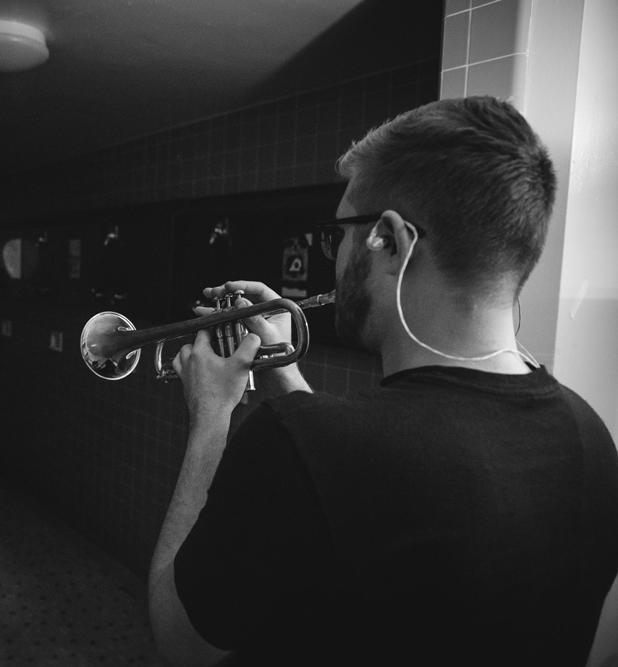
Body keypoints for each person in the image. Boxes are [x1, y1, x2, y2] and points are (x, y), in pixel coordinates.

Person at [147, 96, 618, 666]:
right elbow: (362, 488)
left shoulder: (301, 442)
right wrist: (282, 368)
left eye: (341, 231)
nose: (336, 253)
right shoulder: (592, 438)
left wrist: (210, 416)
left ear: (390, 240)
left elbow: (178, 641)